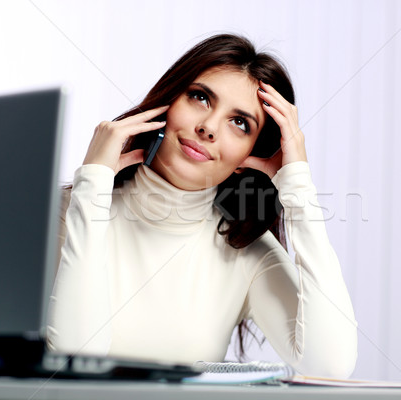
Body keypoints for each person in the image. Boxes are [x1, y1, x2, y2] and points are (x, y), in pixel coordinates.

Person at [47, 33, 358, 378]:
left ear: (250, 156)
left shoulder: (245, 251)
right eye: (200, 97)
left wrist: (297, 184)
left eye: (239, 123)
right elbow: (72, 363)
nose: (208, 127)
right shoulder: (62, 215)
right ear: (168, 101)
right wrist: (92, 185)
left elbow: (330, 366)